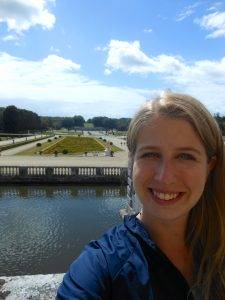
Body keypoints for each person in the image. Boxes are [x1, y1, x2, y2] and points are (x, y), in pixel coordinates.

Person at [56, 92, 225, 300]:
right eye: (151, 154)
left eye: (185, 156)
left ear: (210, 166)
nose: (166, 177)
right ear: (132, 160)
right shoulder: (100, 266)